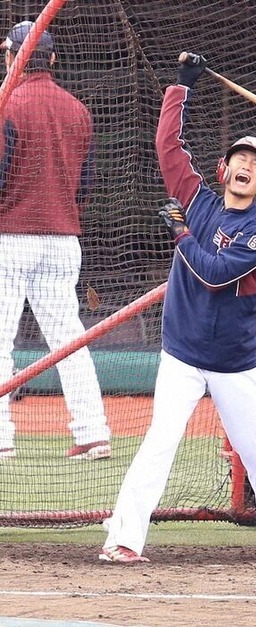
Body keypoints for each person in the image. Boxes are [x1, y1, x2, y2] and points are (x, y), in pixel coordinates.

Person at [99, 52, 256, 563]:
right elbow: (168, 146)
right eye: (240, 159)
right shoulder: (200, 201)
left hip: (234, 363)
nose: (246, 166)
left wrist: (180, 233)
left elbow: (213, 274)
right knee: (159, 443)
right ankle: (123, 540)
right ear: (224, 169)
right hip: (182, 353)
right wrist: (182, 87)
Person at [0, 21, 111, 460]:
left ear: (14, 57)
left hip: (11, 237)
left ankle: (1, 438)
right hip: (63, 240)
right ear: (53, 58)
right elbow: (86, 187)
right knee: (69, 341)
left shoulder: (6, 103)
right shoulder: (77, 109)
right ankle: (93, 432)